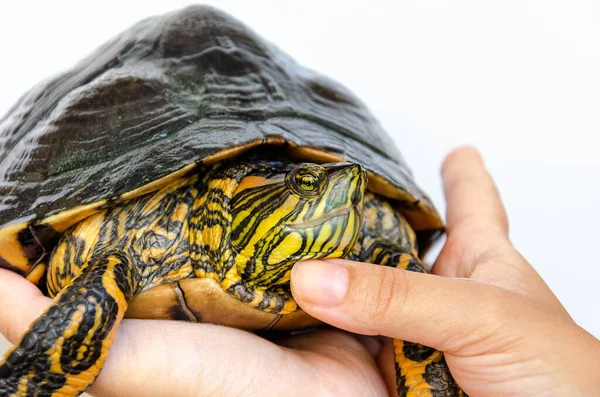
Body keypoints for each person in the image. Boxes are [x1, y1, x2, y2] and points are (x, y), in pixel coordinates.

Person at [0, 147, 598, 396]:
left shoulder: (367, 238)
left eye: (349, 189)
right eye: (311, 187)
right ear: (241, 199)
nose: (345, 194)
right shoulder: (150, 227)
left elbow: (423, 299)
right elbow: (94, 266)